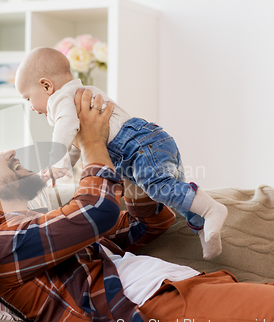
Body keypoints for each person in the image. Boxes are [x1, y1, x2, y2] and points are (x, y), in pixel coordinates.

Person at [0, 90, 274, 322]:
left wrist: (134, 166)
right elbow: (98, 211)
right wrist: (92, 146)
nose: (10, 151)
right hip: (159, 308)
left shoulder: (44, 224)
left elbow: (147, 225)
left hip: (194, 286)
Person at [15, 47, 227, 260]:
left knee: (159, 188)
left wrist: (55, 161)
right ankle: (203, 228)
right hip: (147, 143)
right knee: (174, 194)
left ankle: (212, 210)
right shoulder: (79, 95)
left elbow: (66, 126)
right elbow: (75, 145)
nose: (31, 107)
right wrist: (62, 168)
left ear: (46, 85)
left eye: (27, 99)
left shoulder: (61, 99)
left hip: (138, 146)